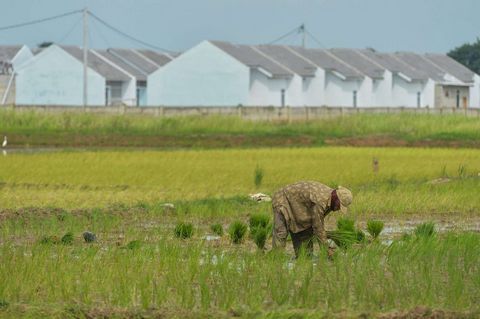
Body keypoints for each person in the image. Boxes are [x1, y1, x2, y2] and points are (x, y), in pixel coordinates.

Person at [271, 181, 352, 257]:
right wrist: (327, 249)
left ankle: (304, 261)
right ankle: (275, 261)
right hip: (282, 199)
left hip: (298, 207)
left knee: (305, 242)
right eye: (339, 206)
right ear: (336, 199)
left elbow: (314, 225)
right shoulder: (321, 201)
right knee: (281, 233)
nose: (338, 209)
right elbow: (318, 227)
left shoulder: (330, 199)